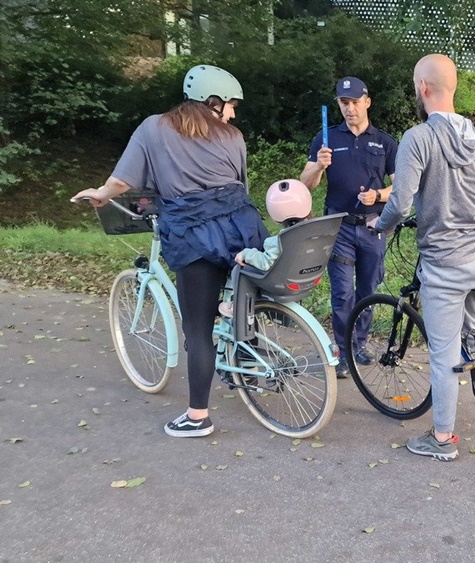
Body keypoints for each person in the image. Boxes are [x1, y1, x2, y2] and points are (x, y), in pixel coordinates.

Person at [72, 65, 268, 438]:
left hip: (194, 236)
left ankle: (198, 417)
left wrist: (100, 195)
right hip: (243, 226)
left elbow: (123, 180)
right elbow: (240, 183)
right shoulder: (234, 137)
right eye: (231, 105)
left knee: (197, 329)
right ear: (213, 101)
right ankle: (250, 362)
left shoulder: (154, 128)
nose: (233, 113)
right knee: (241, 298)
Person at [374, 54, 475, 462]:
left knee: (445, 354)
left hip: (443, 262)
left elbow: (399, 202)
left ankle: (444, 438)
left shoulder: (418, 138)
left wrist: (380, 226)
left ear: (422, 88)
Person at [300, 76, 398, 379]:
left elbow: (400, 188)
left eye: (355, 102)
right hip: (338, 227)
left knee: (368, 290)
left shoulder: (384, 142)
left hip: (373, 226)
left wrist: (378, 195)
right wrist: (318, 165)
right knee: (342, 293)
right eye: (344, 103)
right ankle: (342, 350)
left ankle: (359, 344)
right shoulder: (326, 139)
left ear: (367, 102)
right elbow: (305, 184)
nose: (350, 108)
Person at [219, 179, 312, 318]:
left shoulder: (284, 240)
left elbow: (265, 262)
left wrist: (246, 254)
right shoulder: (313, 231)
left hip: (279, 279)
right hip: (305, 276)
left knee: (241, 270)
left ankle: (236, 307)